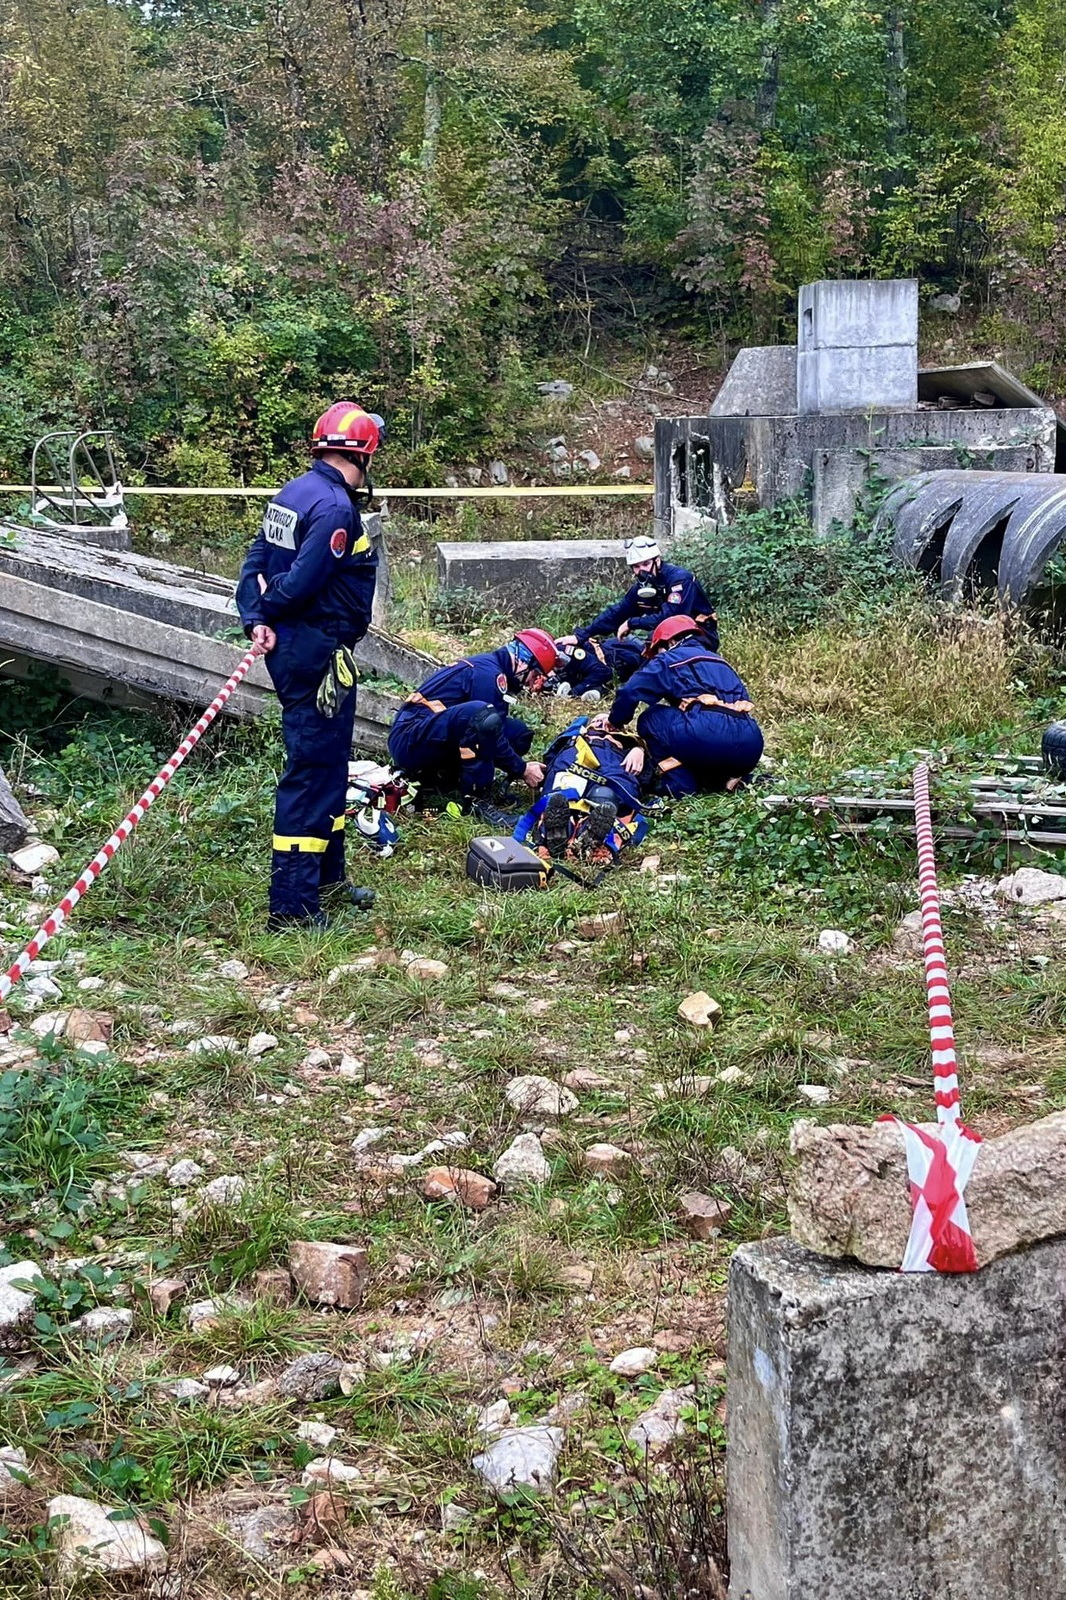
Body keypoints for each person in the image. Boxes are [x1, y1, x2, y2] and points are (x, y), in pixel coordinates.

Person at [235, 402, 384, 931]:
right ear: (366, 453)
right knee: (313, 772)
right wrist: (271, 610)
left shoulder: (293, 493)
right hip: (314, 652)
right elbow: (300, 579)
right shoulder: (337, 508)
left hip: (307, 649)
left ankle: (328, 877)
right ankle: (293, 908)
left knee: (332, 766)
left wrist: (255, 614)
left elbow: (254, 561)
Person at [594, 615, 763, 797]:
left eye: (657, 650)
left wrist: (615, 722)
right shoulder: (719, 661)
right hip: (751, 744)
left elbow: (629, 691)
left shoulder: (669, 658)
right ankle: (723, 779)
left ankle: (679, 785)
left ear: (670, 641)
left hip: (708, 735)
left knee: (651, 718)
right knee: (691, 728)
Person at [388, 630, 558, 808]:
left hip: (427, 734)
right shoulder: (489, 675)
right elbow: (487, 729)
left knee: (518, 734)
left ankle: (446, 778)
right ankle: (477, 800)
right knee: (483, 719)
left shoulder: (490, 666)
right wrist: (522, 769)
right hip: (409, 741)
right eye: (535, 675)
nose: (531, 684)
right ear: (524, 662)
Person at [512, 716, 651, 862]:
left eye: (609, 723)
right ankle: (568, 830)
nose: (603, 725)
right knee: (561, 797)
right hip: (573, 765)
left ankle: (585, 833)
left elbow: (648, 777)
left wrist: (639, 750)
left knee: (605, 798)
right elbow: (551, 759)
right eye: (598, 721)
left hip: (612, 768)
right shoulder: (574, 737)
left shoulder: (629, 743)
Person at [557, 535, 718, 655]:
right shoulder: (642, 589)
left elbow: (670, 618)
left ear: (657, 560)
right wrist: (582, 635)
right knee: (635, 653)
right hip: (665, 637)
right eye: (636, 566)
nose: (642, 571)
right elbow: (618, 612)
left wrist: (632, 623)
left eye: (646, 564)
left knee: (663, 650)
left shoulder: (679, 580)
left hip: (700, 634)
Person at [548, 634, 645, 703]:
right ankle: (596, 691)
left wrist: (574, 692)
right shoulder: (540, 664)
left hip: (620, 658)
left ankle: (597, 690)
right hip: (599, 664)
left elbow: (603, 672)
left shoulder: (564, 653)